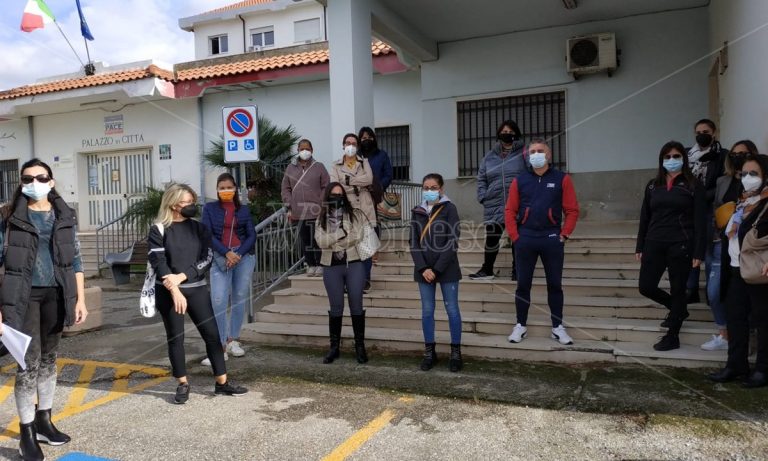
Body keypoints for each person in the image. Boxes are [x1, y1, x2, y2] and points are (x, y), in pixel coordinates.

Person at [0, 158, 88, 461]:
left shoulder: (64, 216)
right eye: (28, 178)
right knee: (28, 364)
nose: (34, 182)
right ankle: (26, 433)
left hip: (57, 294)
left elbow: (75, 260)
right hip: (22, 299)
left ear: (51, 182)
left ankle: (44, 420)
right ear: (21, 183)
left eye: (41, 177)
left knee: (50, 359)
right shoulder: (9, 219)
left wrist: (80, 299)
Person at [148, 183, 247, 405]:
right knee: (176, 337)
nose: (192, 206)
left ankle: (222, 383)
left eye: (193, 201)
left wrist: (181, 277)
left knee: (212, 335)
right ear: (174, 204)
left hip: (196, 289)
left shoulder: (199, 228)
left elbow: (207, 259)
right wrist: (174, 289)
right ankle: (182, 383)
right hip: (168, 292)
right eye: (187, 202)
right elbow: (159, 262)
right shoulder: (158, 229)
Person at [504, 139, 579, 345]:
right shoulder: (520, 180)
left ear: (548, 155)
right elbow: (510, 210)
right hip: (525, 238)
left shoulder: (562, 179)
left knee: (555, 284)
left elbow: (572, 210)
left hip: (551, 239)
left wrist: (564, 234)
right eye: (532, 151)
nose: (536, 154)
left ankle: (557, 327)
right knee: (523, 285)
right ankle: (520, 325)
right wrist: (515, 236)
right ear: (527, 156)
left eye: (540, 151)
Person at [636, 141, 706, 351]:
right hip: (654, 243)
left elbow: (701, 220)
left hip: (681, 244)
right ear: (661, 160)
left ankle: (673, 335)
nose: (672, 160)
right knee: (646, 286)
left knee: (678, 290)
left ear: (683, 159)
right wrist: (640, 245)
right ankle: (678, 310)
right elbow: (645, 217)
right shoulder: (652, 185)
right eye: (667, 157)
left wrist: (698, 250)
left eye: (676, 156)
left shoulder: (694, 185)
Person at [708, 153, 768, 387]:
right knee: (735, 319)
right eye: (745, 174)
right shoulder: (743, 200)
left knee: (763, 322)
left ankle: (763, 369)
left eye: (754, 174)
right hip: (735, 269)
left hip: (757, 271)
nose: (748, 178)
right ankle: (736, 365)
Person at [702, 140, 758, 350]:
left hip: (748, 245)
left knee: (747, 294)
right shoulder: (722, 182)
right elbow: (716, 208)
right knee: (715, 292)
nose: (737, 157)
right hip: (720, 243)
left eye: (743, 154)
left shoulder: (758, 182)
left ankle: (747, 335)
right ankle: (724, 334)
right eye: (734, 154)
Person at [201, 172, 257, 365]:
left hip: (243, 257)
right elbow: (206, 234)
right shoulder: (209, 208)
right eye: (222, 188)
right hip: (220, 257)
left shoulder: (243, 210)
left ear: (235, 189)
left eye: (229, 187)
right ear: (217, 190)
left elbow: (251, 235)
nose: (226, 191)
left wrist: (238, 253)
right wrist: (226, 253)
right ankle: (219, 346)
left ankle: (233, 340)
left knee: (239, 298)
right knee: (218, 300)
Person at [410, 173, 463, 372]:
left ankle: (456, 352)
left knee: (452, 310)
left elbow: (452, 241)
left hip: (446, 268)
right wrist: (423, 268)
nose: (430, 191)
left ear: (441, 189)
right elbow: (413, 242)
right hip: (424, 271)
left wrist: (437, 268)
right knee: (427, 311)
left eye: (434, 187)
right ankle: (429, 352)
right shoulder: (417, 211)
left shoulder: (450, 209)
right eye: (426, 187)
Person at [314, 182, 368, 364]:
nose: (337, 198)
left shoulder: (354, 214)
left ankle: (360, 347)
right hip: (331, 266)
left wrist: (335, 242)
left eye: (340, 195)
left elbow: (357, 236)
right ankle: (334, 348)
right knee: (336, 306)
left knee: (356, 305)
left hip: (353, 264)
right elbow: (320, 242)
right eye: (333, 195)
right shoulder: (321, 218)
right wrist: (340, 235)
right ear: (328, 197)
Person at [471, 120, 526, 281]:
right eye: (504, 131)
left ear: (515, 133)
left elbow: (531, 174)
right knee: (492, 238)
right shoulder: (489, 156)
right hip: (493, 203)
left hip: (517, 202)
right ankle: (487, 270)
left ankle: (518, 271)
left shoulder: (524, 153)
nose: (506, 134)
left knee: (517, 238)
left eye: (510, 131)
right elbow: (481, 178)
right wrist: (483, 196)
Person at [686, 119, 728, 304]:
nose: (701, 134)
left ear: (714, 133)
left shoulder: (722, 155)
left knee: (710, 250)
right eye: (698, 131)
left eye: (706, 131)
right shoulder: (687, 154)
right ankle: (690, 288)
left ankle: (712, 292)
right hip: (689, 209)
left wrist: (701, 196)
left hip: (710, 208)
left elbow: (721, 183)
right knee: (690, 248)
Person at [329, 133, 377, 293]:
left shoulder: (364, 162)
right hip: (345, 208)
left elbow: (369, 180)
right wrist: (357, 184)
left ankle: (365, 280)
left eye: (354, 143)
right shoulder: (336, 165)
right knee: (346, 245)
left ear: (357, 146)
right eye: (348, 143)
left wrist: (347, 182)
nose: (350, 146)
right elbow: (335, 186)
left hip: (364, 208)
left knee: (366, 246)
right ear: (343, 145)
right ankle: (347, 281)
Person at [281, 139, 330, 276]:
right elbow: (285, 188)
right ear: (297, 150)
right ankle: (310, 264)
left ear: (312, 150)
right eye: (302, 149)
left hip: (316, 211)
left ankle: (321, 264)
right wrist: (290, 203)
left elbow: (326, 186)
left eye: (307, 148)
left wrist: (320, 202)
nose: (304, 151)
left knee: (317, 239)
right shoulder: (290, 168)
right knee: (305, 240)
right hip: (298, 212)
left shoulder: (319, 167)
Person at [358, 127, 393, 287]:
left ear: (374, 138)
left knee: (375, 223)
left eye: (369, 136)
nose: (366, 139)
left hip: (376, 194)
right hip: (359, 196)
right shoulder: (356, 156)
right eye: (363, 137)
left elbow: (388, 174)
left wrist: (379, 186)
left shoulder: (381, 155)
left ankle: (374, 248)